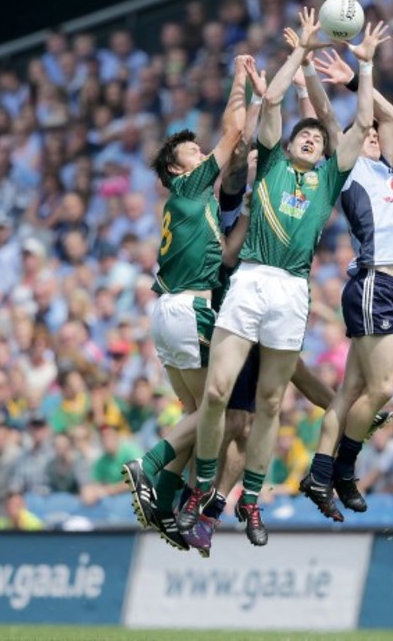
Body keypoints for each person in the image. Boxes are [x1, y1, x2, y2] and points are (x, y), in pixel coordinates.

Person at [178, 9, 386, 547]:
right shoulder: (270, 162)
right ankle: (201, 492)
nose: (313, 140)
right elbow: (270, 103)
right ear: (289, 144)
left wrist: (364, 69)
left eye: (319, 139)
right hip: (250, 280)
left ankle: (250, 500)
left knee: (271, 403)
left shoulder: (329, 179)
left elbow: (362, 124)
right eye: (306, 136)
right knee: (220, 393)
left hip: (292, 289)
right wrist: (301, 50)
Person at [121, 54, 248, 549]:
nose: (202, 156)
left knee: (200, 414)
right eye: (194, 152)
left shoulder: (196, 208)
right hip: (188, 310)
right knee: (223, 412)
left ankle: (166, 498)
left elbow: (222, 256)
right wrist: (240, 78)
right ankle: (150, 465)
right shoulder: (188, 187)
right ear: (178, 168)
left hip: (169, 311)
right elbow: (234, 130)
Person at [291, 45, 393, 520]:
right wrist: (317, 77)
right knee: (382, 388)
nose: (370, 134)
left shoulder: (388, 166)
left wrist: (356, 76)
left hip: (392, 287)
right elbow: (328, 119)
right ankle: (342, 470)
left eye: (371, 134)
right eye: (361, 133)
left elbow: (386, 113)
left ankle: (320, 475)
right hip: (373, 283)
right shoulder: (349, 169)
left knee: (351, 393)